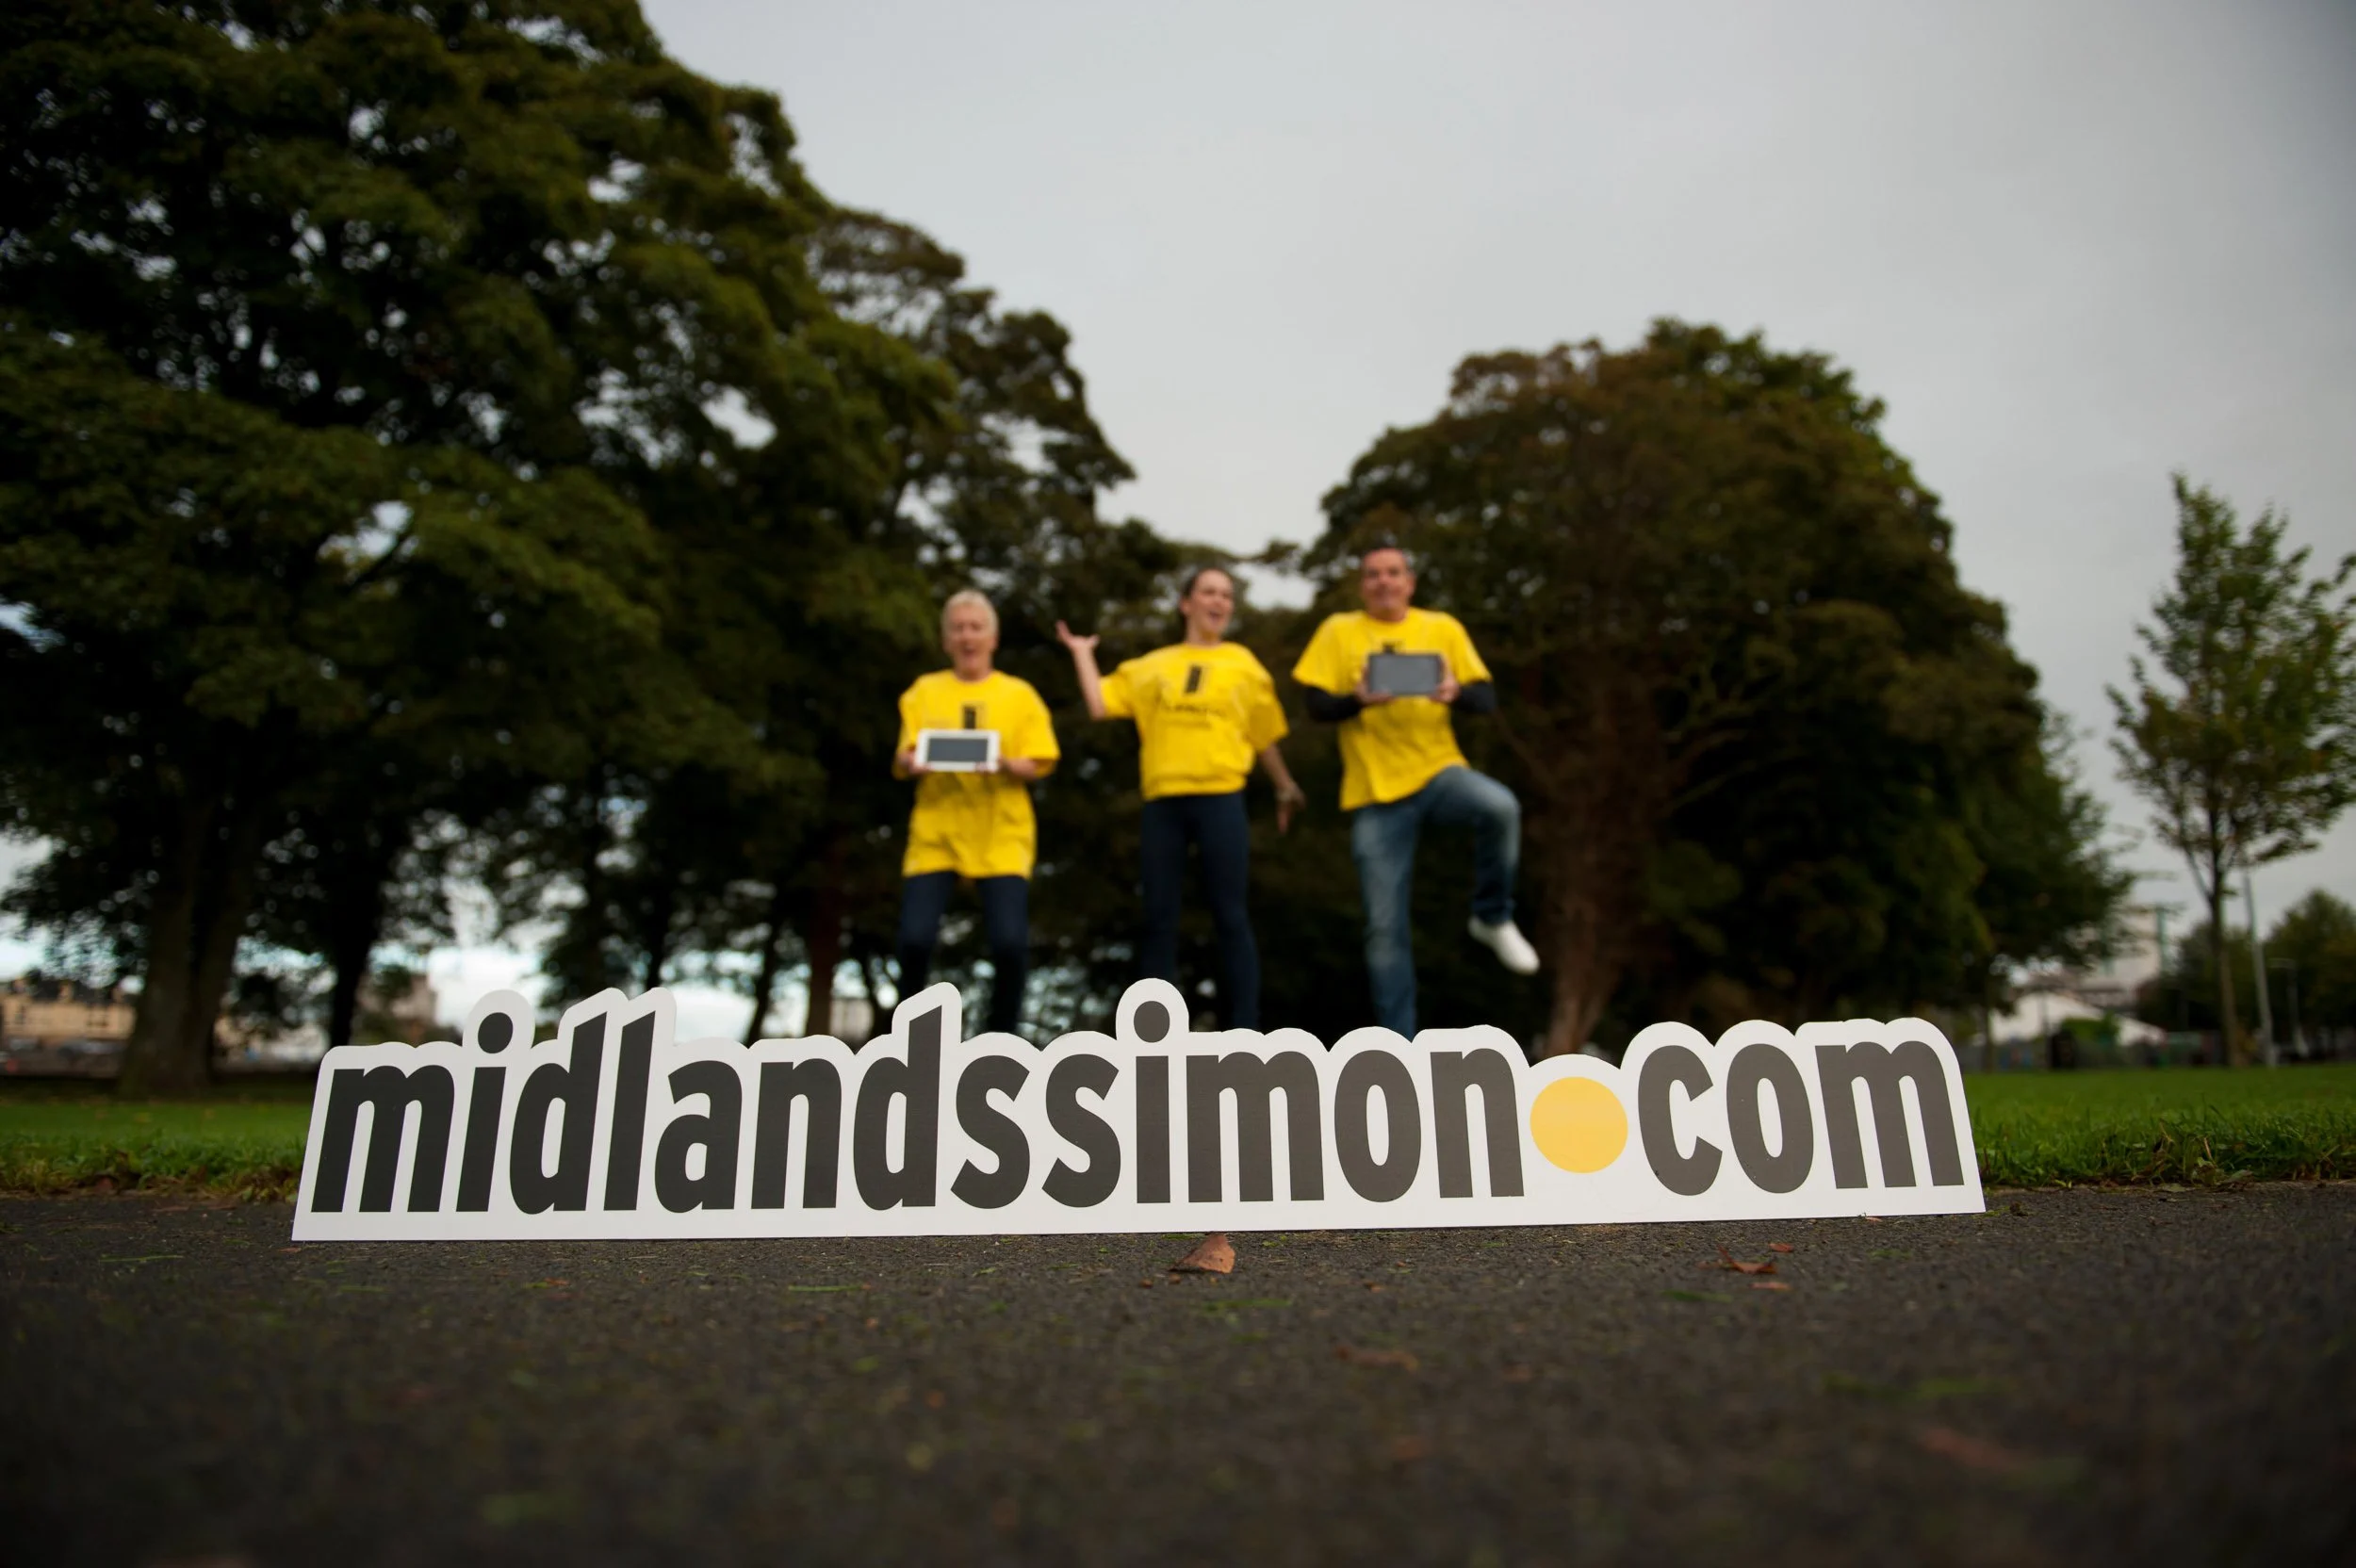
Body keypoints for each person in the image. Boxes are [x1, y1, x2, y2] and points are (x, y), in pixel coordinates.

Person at [1291, 543, 1538, 1037]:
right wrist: (1357, 700)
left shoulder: (1441, 628)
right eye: (1372, 574)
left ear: (1410, 581)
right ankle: (1398, 1046)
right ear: (1363, 585)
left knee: (1500, 807)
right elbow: (1315, 705)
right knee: (1384, 930)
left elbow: (1485, 699)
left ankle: (1491, 916)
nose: (1383, 582)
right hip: (1376, 796)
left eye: (1393, 573)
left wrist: (1454, 693)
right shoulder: (1339, 631)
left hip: (1438, 774)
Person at [1056, 565, 1307, 1029]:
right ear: (1186, 603)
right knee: (1159, 917)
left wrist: (1285, 785)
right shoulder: (1153, 666)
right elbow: (1099, 702)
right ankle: (1152, 1033)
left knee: (1231, 915)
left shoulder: (1245, 666)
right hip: (1165, 803)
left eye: (1227, 595)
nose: (1219, 602)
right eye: (1208, 592)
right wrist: (1081, 654)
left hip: (1221, 799)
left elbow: (1263, 736)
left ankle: (1246, 1031)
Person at [893, 589, 1059, 1037]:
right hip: (936, 833)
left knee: (1009, 944)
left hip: (1001, 836)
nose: (968, 637)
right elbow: (907, 755)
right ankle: (908, 1041)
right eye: (958, 628)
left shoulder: (1019, 695)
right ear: (946, 640)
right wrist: (914, 762)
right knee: (914, 939)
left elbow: (1040, 761)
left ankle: (1001, 1041)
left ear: (993, 637)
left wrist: (1007, 763)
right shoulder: (923, 692)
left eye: (976, 627)